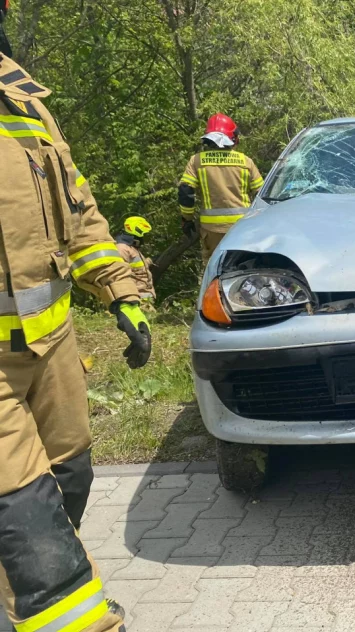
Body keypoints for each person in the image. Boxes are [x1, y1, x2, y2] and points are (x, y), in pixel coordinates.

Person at [0, 2, 151, 630]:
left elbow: (79, 211)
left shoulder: (23, 98)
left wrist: (121, 292)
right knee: (24, 514)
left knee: (69, 480)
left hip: (52, 345)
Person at [178, 113, 264, 263]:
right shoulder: (246, 161)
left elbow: (185, 191)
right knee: (242, 265)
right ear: (233, 138)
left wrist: (187, 219)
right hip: (242, 227)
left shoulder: (197, 161)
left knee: (214, 267)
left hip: (212, 229)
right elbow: (261, 193)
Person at [115, 216, 156, 304]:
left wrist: (148, 261)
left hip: (146, 297)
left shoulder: (133, 248)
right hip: (136, 299)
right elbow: (119, 275)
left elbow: (136, 268)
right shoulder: (122, 249)